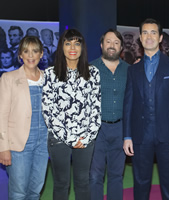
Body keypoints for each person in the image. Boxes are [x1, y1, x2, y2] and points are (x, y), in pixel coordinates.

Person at [123, 18, 169, 200]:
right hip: (140, 136)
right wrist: (127, 136)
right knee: (141, 183)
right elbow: (128, 105)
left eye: (153, 33)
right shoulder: (132, 71)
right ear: (140, 38)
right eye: (145, 32)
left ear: (160, 38)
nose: (149, 36)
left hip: (168, 136)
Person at [42, 29, 101, 200]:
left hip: (86, 139)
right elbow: (49, 111)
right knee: (61, 183)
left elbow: (96, 108)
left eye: (77, 43)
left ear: (82, 47)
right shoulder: (50, 74)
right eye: (68, 43)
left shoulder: (93, 73)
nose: (72, 47)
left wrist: (87, 136)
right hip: (59, 138)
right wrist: (71, 139)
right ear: (61, 47)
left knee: (83, 182)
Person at [0, 36, 48, 199]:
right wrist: (3, 147)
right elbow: (2, 114)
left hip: (43, 144)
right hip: (18, 145)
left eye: (35, 51)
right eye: (26, 51)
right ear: (20, 54)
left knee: (35, 191)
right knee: (19, 192)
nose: (30, 55)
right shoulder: (9, 78)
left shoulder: (48, 79)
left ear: (41, 54)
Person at [89, 29, 129, 200]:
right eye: (108, 41)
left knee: (116, 176)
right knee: (95, 176)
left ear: (121, 48)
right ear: (101, 45)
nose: (112, 45)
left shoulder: (130, 70)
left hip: (121, 129)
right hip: (96, 129)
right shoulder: (89, 69)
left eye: (116, 42)